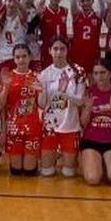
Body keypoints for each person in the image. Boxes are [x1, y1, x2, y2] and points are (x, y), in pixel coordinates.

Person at [38, 38, 84, 178]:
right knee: (47, 172)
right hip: (50, 127)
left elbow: (80, 101)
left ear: (67, 50)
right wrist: (41, 91)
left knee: (69, 173)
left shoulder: (78, 71)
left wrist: (64, 93)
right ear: (49, 51)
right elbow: (42, 104)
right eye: (55, 49)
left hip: (70, 126)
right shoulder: (44, 74)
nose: (58, 52)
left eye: (62, 49)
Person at [79, 59, 111, 187]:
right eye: (96, 73)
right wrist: (88, 107)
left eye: (102, 72)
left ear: (110, 73)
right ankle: (93, 162)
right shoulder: (89, 92)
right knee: (93, 179)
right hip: (90, 141)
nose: (99, 76)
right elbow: (83, 123)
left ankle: (106, 165)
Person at [0, 44, 42, 176]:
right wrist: (6, 87)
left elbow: (42, 104)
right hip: (14, 128)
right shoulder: (8, 77)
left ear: (30, 57)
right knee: (16, 171)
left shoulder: (37, 77)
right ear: (14, 59)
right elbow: (0, 105)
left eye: (24, 56)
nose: (21, 60)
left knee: (29, 171)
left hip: (32, 127)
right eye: (18, 57)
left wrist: (41, 91)